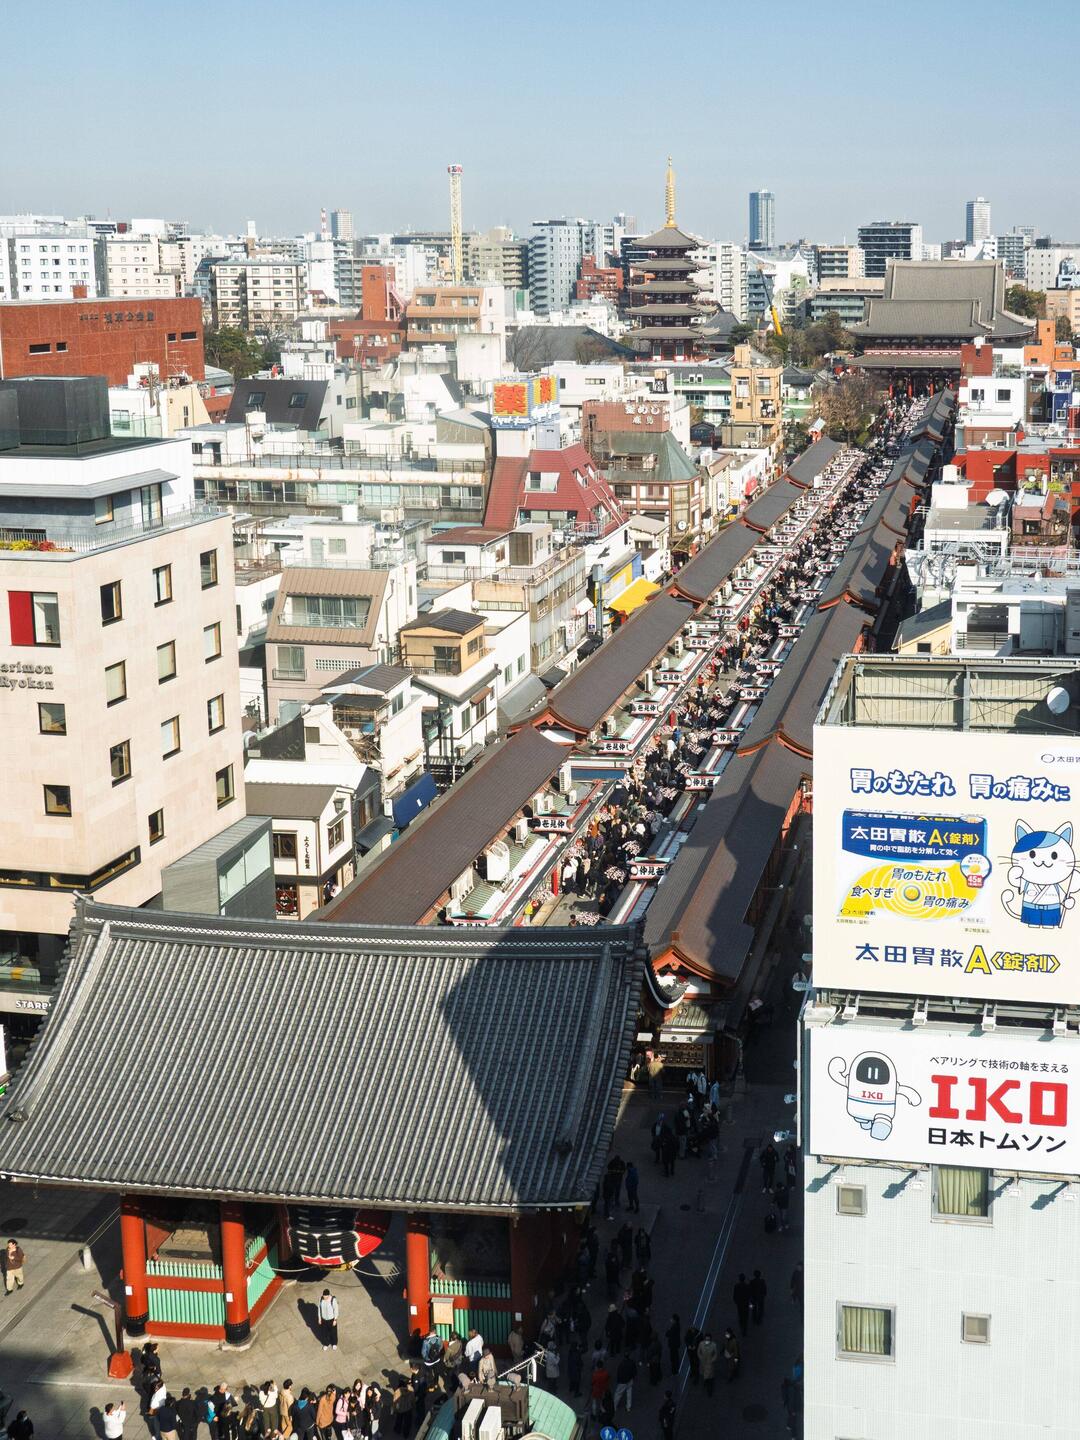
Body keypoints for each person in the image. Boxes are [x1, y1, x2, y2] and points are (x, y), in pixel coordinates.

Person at [696, 1333, 718, 1397]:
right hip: (703, 1363)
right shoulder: (701, 1344)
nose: (707, 1340)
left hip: (709, 1364)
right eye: (706, 1339)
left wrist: (712, 1360)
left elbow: (715, 1354)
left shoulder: (713, 1345)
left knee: (709, 1377)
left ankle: (709, 1390)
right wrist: (701, 1358)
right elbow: (698, 1352)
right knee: (704, 1375)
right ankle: (706, 1381)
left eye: (708, 1339)